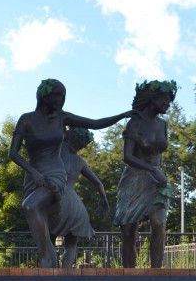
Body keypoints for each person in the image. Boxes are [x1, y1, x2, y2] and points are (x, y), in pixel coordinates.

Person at [9, 78, 130, 268]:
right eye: (57, 95)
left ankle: (46, 258)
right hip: (34, 176)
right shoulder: (27, 119)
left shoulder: (62, 118)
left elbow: (95, 123)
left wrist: (124, 115)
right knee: (36, 214)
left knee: (30, 206)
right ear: (44, 95)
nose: (61, 100)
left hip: (55, 175)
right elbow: (13, 153)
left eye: (63, 96)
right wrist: (32, 172)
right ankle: (49, 258)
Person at [114, 79, 177, 268]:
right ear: (153, 99)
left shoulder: (163, 124)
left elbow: (160, 150)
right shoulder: (135, 123)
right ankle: (129, 275)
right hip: (135, 178)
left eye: (169, 101)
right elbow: (127, 156)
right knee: (128, 232)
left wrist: (155, 171)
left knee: (159, 221)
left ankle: (156, 272)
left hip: (156, 180)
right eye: (165, 100)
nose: (168, 104)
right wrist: (150, 169)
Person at [50, 127, 106, 268]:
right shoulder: (79, 161)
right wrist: (103, 199)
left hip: (55, 200)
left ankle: (52, 275)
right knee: (71, 245)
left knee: (49, 241)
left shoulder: (53, 152)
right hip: (76, 207)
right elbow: (98, 184)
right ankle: (66, 275)